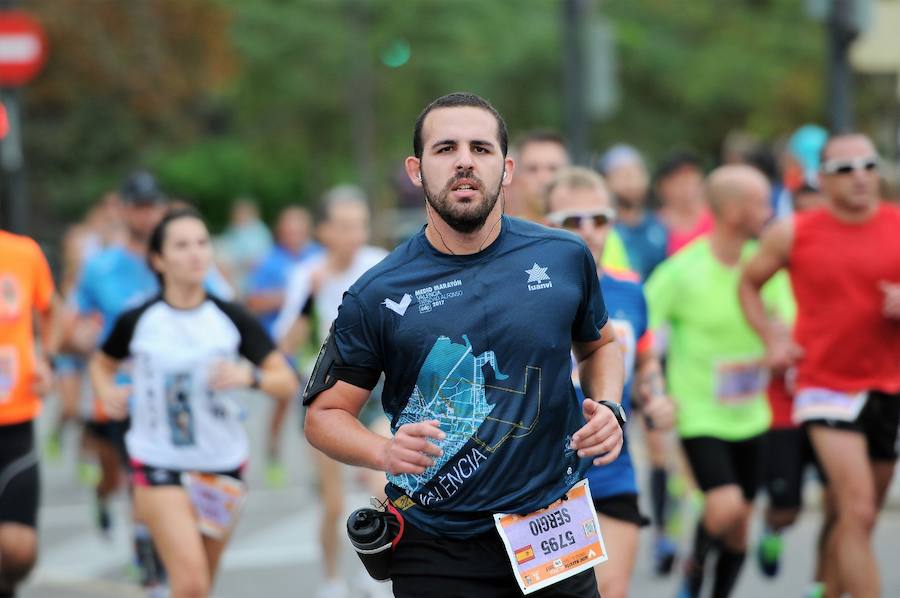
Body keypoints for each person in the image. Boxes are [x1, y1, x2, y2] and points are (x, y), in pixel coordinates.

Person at [304, 92, 625, 597]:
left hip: (552, 529)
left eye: (480, 148)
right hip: (436, 543)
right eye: (445, 148)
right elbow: (323, 415)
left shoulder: (564, 256)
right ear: (416, 170)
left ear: (507, 168)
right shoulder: (377, 293)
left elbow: (600, 345)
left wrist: (608, 406)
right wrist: (383, 450)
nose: (464, 162)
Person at [89, 207, 298, 598]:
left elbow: (285, 381)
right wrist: (105, 392)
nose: (196, 253)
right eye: (182, 245)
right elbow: (101, 365)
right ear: (158, 259)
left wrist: (247, 376)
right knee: (191, 585)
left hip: (221, 466)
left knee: (200, 585)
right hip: (157, 462)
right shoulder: (138, 319)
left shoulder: (230, 317)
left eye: (202, 243)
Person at [738, 133, 900, 598]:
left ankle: (826, 590)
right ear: (822, 180)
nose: (861, 177)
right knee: (860, 508)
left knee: (850, 517)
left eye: (868, 165)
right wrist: (772, 338)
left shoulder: (896, 224)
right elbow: (748, 285)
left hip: (888, 383)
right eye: (845, 169)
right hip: (824, 386)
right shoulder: (795, 232)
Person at [646, 164, 791, 598]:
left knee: (741, 526)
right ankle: (694, 568)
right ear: (731, 211)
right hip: (699, 412)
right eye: (762, 202)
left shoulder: (763, 266)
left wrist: (779, 343)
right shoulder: (681, 270)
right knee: (724, 505)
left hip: (752, 413)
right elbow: (644, 332)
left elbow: (786, 317)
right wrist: (653, 385)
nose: (771, 210)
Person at [544, 167, 675, 598]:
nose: (588, 231)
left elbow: (646, 360)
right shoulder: (528, 294)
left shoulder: (631, 290)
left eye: (599, 219)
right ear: (548, 225)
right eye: (572, 221)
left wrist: (655, 396)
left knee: (611, 592)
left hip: (612, 469)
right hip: (545, 479)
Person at [273, 186, 390, 598]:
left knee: (383, 487)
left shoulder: (378, 264)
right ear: (323, 231)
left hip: (374, 391)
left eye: (359, 224)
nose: (353, 234)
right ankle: (330, 578)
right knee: (334, 502)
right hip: (323, 394)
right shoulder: (306, 275)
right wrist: (309, 298)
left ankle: (376, 572)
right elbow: (286, 345)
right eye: (343, 226)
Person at [0, 229, 60, 598]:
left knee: (19, 552)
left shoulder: (23, 252)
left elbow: (53, 309)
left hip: (15, 418)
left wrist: (47, 360)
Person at [245, 205, 321, 486]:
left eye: (300, 230)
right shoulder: (270, 262)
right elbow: (253, 302)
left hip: (313, 346)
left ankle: (318, 468)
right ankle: (273, 452)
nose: (295, 235)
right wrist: (291, 296)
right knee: (282, 403)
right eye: (290, 230)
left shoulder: (317, 255)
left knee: (316, 406)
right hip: (282, 345)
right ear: (281, 232)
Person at [506, 129, 631, 270]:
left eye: (553, 168)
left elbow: (616, 286)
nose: (543, 178)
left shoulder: (604, 233)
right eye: (532, 169)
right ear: (513, 175)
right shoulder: (503, 238)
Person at [598, 144, 668, 280]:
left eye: (638, 174)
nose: (632, 182)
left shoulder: (660, 225)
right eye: (623, 175)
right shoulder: (600, 227)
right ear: (605, 181)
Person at [653, 151, 712, 255]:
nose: (687, 184)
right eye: (679, 178)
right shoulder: (653, 226)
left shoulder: (718, 217)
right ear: (662, 186)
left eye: (692, 175)